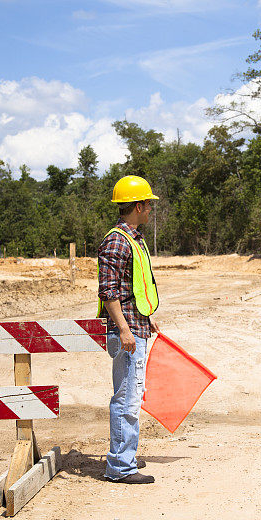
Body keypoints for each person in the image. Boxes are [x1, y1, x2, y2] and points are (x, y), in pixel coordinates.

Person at [97, 175, 161, 484]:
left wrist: (144, 318)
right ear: (137, 205)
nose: (150, 209)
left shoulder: (132, 239)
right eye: (148, 204)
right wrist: (124, 329)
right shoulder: (117, 241)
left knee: (132, 396)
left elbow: (132, 287)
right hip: (127, 335)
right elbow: (109, 291)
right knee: (126, 400)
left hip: (136, 329)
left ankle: (125, 457)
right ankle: (120, 468)